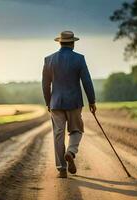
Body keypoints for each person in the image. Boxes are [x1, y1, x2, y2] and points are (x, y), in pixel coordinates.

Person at [42, 31, 96, 178]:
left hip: (56, 103)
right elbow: (87, 82)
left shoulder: (49, 60)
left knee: (58, 135)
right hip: (74, 102)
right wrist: (92, 101)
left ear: (59, 42)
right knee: (76, 130)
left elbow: (45, 85)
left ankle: (62, 169)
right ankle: (71, 152)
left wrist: (48, 102)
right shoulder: (79, 59)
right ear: (72, 43)